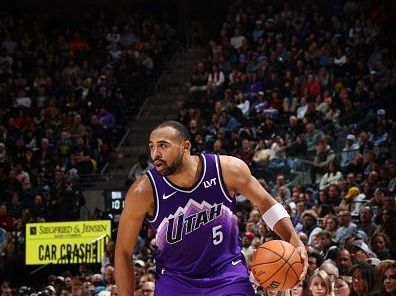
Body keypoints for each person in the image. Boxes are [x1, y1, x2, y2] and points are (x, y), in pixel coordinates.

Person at [115, 121, 308, 296]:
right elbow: (123, 249)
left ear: (185, 147)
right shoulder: (142, 191)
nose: (155, 154)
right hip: (175, 281)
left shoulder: (227, 170)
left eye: (163, 145)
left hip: (228, 275)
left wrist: (294, 239)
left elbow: (265, 203)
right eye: (152, 146)